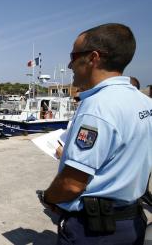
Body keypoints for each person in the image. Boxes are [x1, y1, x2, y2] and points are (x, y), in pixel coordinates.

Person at [38, 23, 152, 244]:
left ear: (93, 58)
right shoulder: (143, 102)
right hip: (131, 221)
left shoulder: (97, 108)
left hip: (94, 231)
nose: (70, 64)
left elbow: (72, 184)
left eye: (73, 55)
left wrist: (49, 197)